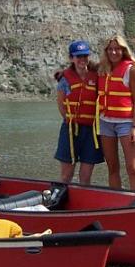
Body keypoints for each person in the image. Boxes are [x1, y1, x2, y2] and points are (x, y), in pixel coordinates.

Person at [54, 40, 104, 184]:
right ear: (72, 58)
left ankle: (83, 200)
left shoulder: (97, 75)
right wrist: (71, 120)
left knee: (86, 176)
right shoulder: (65, 79)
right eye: (78, 56)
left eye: (85, 56)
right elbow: (61, 105)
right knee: (66, 175)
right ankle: (61, 200)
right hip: (70, 130)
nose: (82, 59)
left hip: (91, 131)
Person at [96, 35, 135, 190]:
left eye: (117, 49)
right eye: (110, 49)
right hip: (105, 122)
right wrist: (63, 73)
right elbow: (82, 67)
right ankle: (117, 199)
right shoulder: (102, 68)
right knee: (112, 167)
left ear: (123, 50)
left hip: (126, 123)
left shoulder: (131, 69)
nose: (114, 52)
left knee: (132, 168)